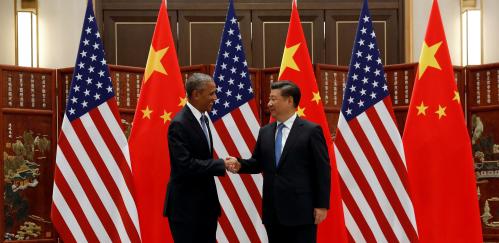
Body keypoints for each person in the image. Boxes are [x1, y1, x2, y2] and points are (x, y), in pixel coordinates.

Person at [226, 81, 331, 243]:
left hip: (301, 212)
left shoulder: (311, 131)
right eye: (269, 99)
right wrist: (240, 164)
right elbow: (257, 162)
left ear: (289, 100)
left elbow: (322, 170)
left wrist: (322, 205)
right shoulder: (265, 131)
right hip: (273, 212)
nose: (269, 104)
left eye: (274, 99)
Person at [163, 73, 233, 243]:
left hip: (206, 208)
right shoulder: (179, 123)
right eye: (211, 93)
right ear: (196, 94)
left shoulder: (204, 119)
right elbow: (185, 165)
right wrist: (220, 164)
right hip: (186, 209)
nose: (215, 98)